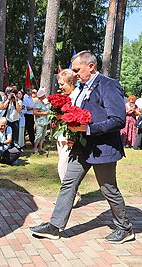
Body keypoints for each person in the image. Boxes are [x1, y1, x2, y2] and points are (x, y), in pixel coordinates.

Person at [30, 50, 134, 244]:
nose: (74, 73)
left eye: (77, 69)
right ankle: (55, 226)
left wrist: (87, 129)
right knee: (68, 184)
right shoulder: (82, 87)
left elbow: (118, 120)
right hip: (81, 146)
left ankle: (124, 228)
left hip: (103, 148)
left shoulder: (109, 85)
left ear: (91, 66)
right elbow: (79, 114)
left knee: (108, 189)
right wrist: (74, 133)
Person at [55, 68, 81, 207]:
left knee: (63, 167)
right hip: (62, 134)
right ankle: (71, 194)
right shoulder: (66, 96)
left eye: (62, 84)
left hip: (71, 136)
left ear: (71, 82)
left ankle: (71, 195)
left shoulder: (78, 96)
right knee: (62, 165)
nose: (60, 87)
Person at [33, 89, 50, 154]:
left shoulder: (44, 103)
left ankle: (40, 147)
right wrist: (44, 113)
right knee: (38, 135)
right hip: (40, 121)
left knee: (43, 135)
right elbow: (35, 112)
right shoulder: (37, 103)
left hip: (45, 121)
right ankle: (35, 148)